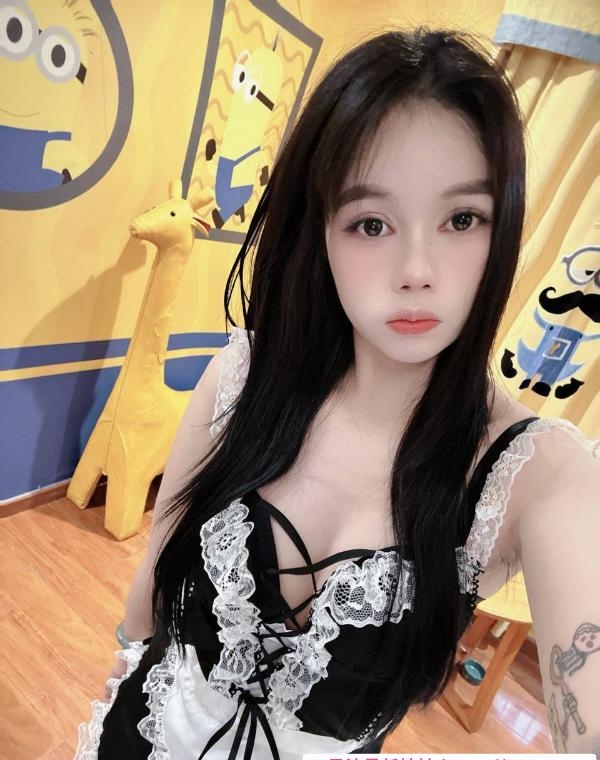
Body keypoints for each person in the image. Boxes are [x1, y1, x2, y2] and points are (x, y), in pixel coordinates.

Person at [75, 27, 600, 759]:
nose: (416, 270)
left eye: (461, 219)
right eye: (371, 223)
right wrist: (122, 669)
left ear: (501, 225)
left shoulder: (537, 477)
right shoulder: (243, 377)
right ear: (320, 232)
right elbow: (155, 582)